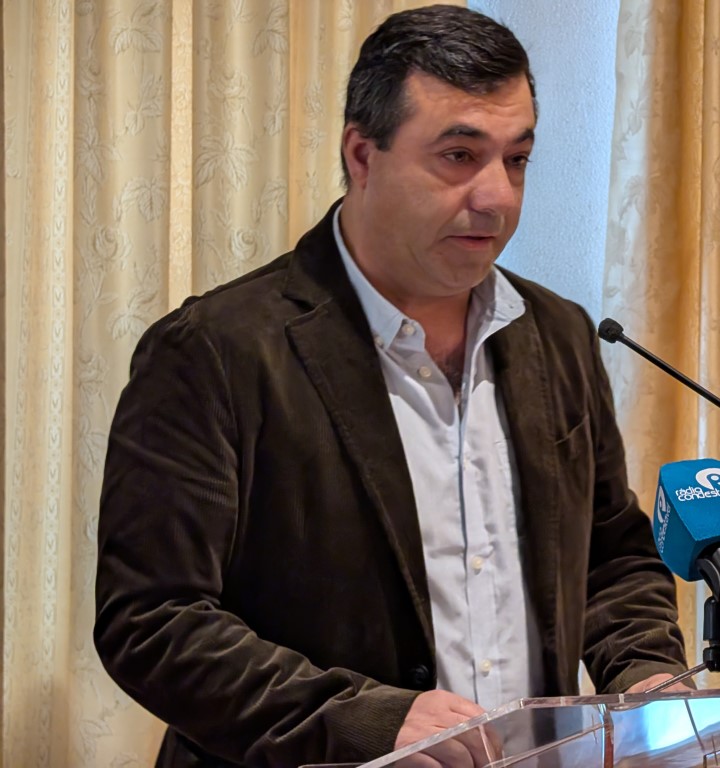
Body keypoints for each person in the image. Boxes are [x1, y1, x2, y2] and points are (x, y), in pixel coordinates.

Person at [94, 5, 687, 767]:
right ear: (362, 155)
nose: (497, 196)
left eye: (516, 159)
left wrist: (645, 674)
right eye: (458, 156)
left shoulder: (559, 335)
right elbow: (152, 620)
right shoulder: (215, 350)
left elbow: (611, 556)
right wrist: (363, 723)